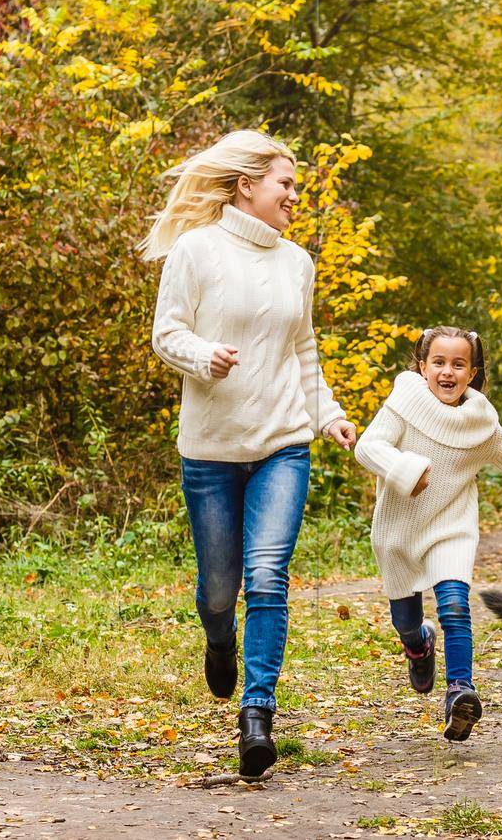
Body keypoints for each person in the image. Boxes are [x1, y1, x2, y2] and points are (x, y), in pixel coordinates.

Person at [143, 128, 357, 779]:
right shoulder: (196, 251)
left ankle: (257, 713)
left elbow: (304, 351)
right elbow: (166, 333)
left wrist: (330, 416)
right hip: (209, 449)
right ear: (247, 186)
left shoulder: (297, 263)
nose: (295, 194)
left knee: (267, 576)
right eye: (285, 183)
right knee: (218, 589)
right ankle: (217, 637)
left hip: (282, 444)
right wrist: (203, 356)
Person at [354, 325, 502, 742]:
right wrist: (406, 470)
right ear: (422, 367)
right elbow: (368, 447)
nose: (448, 372)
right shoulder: (404, 403)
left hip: (451, 527)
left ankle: (460, 690)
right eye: (439, 363)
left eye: (458, 364)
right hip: (398, 531)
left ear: (473, 372)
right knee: (406, 622)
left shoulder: (479, 424)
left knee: (454, 605)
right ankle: (418, 644)